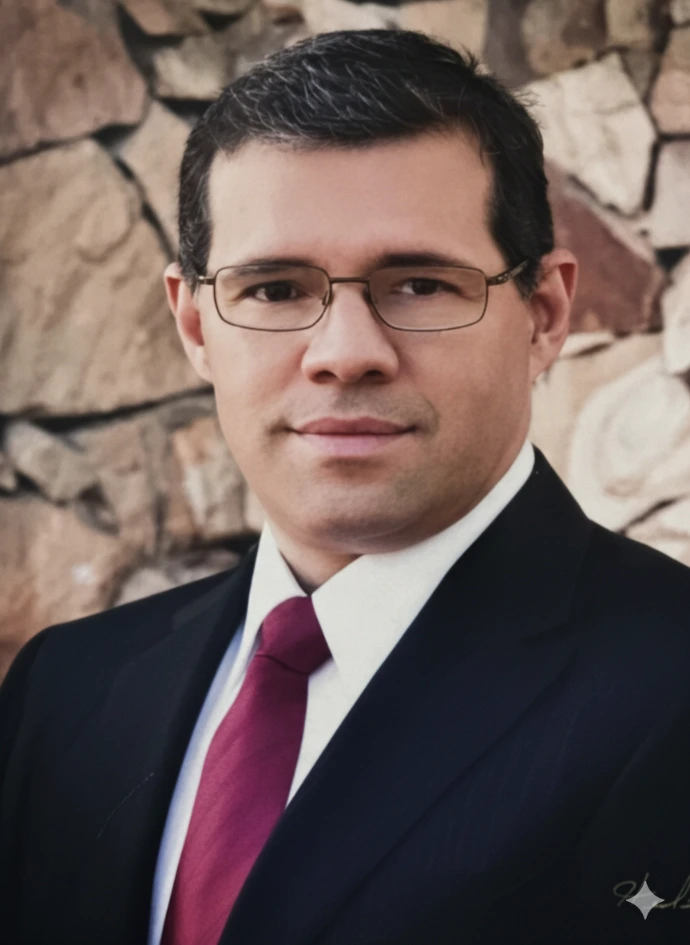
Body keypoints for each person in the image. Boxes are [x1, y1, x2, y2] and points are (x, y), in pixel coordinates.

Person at [1, 26, 689, 945]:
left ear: (545, 315)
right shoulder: (65, 688)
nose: (346, 353)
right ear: (196, 325)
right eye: (275, 289)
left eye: (420, 284)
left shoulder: (671, 687)